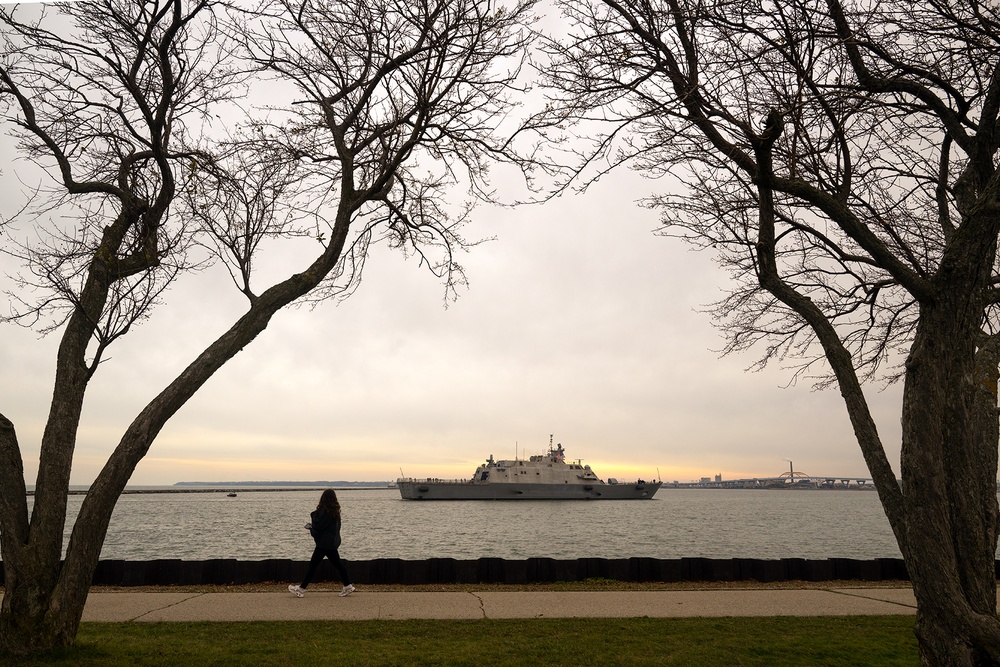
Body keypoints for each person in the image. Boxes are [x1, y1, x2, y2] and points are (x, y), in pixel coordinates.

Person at [288, 488, 355, 598]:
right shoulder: (335, 512)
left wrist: (310, 527)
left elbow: (318, 528)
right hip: (332, 543)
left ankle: (301, 589)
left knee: (313, 566)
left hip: (324, 544)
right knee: (338, 564)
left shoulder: (325, 513)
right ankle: (347, 585)